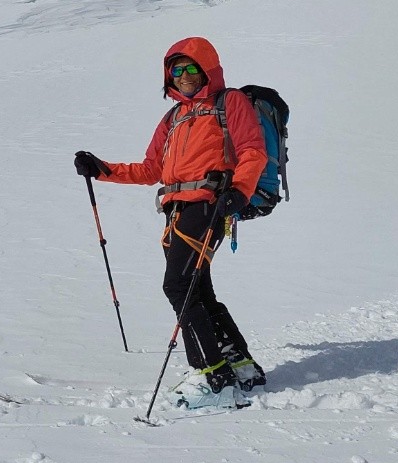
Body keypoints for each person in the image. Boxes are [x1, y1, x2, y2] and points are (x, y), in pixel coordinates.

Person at [73, 37, 269, 406]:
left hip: (210, 205)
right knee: (196, 290)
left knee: (177, 287)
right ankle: (240, 365)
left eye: (191, 68)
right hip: (176, 211)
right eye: (176, 70)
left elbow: (252, 152)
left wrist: (239, 191)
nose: (183, 76)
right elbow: (152, 170)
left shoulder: (230, 103)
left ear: (207, 69)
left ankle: (213, 377)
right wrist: (103, 170)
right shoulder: (173, 117)